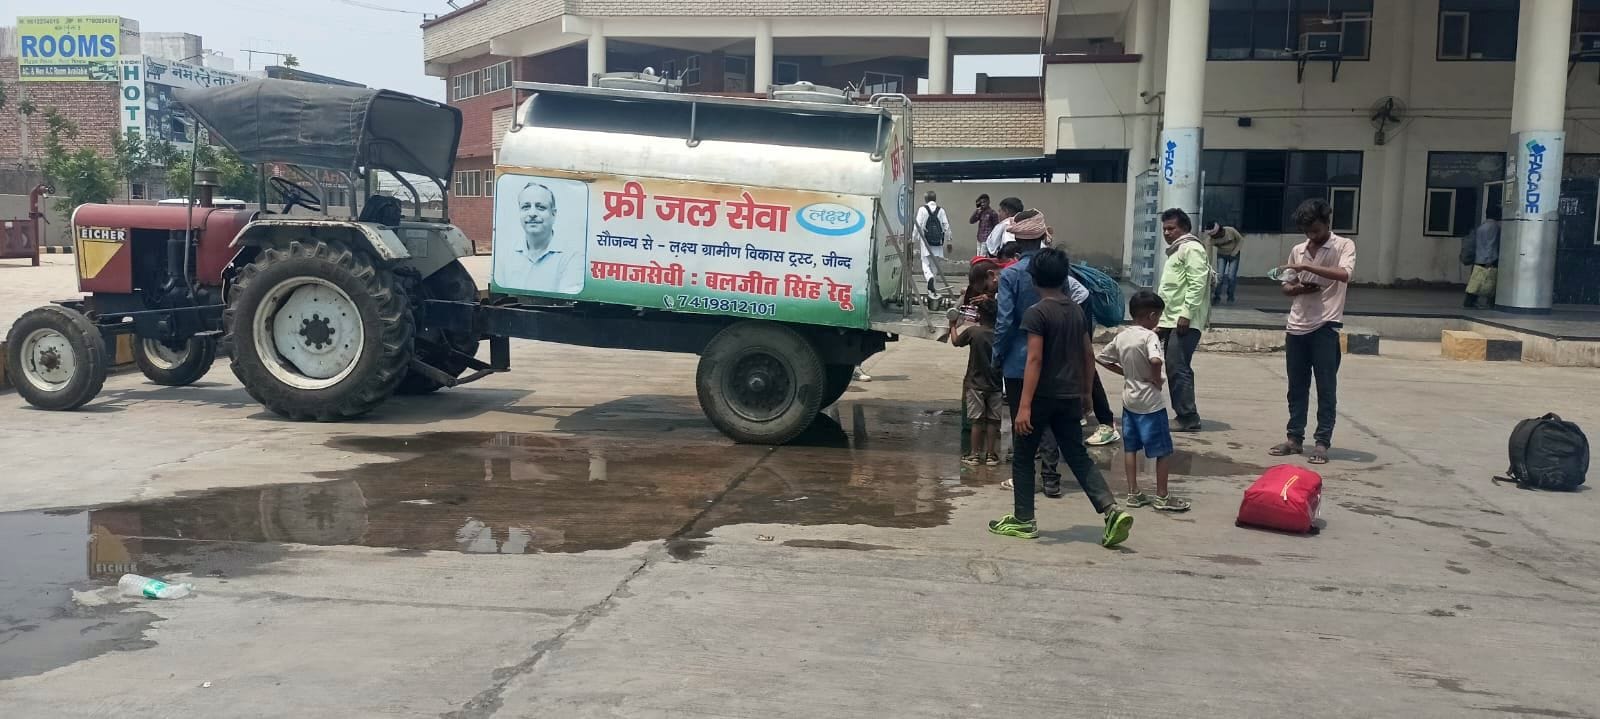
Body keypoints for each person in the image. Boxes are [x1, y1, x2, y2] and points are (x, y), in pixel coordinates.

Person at [988, 247, 1132, 547]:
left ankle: (1024, 519)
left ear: (1033, 279)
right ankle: (1110, 510)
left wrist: (1024, 405)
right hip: (1069, 395)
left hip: (1039, 395)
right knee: (1077, 455)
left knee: (1024, 456)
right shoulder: (1076, 311)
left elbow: (1034, 359)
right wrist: (1086, 393)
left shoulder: (1037, 313)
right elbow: (1087, 354)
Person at [1269, 198, 1356, 466]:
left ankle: (1322, 442)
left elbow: (1344, 274)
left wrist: (1307, 268)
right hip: (1297, 325)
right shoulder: (1298, 250)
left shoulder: (1343, 245)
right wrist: (1299, 288)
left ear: (1327, 223)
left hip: (1326, 325)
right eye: (1307, 232)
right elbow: (1287, 286)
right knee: (1296, 386)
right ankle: (1294, 438)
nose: (1312, 236)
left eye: (1316, 230)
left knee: (1326, 386)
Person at [1098, 291, 1190, 512]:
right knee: (1162, 451)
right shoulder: (1150, 337)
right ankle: (1162, 495)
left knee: (1130, 448)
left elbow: (1101, 358)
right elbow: (1156, 360)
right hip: (1151, 403)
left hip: (1129, 400)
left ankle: (1133, 493)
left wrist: (1125, 373)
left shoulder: (1123, 336)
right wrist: (1156, 379)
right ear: (1152, 315)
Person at [1156, 208, 1211, 433]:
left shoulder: (1191, 248)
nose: (1167, 233)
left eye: (1172, 228)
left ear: (1185, 228)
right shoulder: (1177, 251)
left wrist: (1186, 314)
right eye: (1164, 229)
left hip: (1184, 320)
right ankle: (1184, 414)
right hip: (1172, 319)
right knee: (1173, 366)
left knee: (1178, 367)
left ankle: (1188, 417)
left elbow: (1197, 283)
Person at [498, 181, 584, 294]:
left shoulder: (572, 256)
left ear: (554, 214)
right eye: (526, 207)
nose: (532, 213)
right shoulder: (504, 255)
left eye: (540, 207)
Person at [954, 297, 1003, 467]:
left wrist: (952, 326)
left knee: (977, 421)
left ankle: (974, 455)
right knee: (992, 421)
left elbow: (955, 342)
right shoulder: (1000, 334)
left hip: (975, 384)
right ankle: (991, 455)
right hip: (996, 384)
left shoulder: (973, 332)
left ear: (979, 315)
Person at [1461, 205, 1501, 309]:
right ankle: (1489, 303)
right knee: (1491, 282)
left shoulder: (1482, 226)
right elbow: (1491, 244)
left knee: (1476, 282)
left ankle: (1470, 301)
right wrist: (1489, 260)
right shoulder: (1494, 227)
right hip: (1489, 259)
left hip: (1479, 258)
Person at [915, 191, 953, 297]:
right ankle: (932, 290)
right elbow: (946, 226)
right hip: (937, 242)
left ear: (926, 199)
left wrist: (912, 239)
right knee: (935, 265)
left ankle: (929, 278)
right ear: (935, 199)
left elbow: (917, 225)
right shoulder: (941, 210)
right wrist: (949, 241)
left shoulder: (922, 209)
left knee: (925, 263)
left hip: (925, 241)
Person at [1207, 222, 1244, 305]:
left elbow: (1241, 240)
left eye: (1215, 235)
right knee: (1219, 276)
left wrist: (1235, 252)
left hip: (1234, 255)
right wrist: (1208, 264)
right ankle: (1217, 297)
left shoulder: (1230, 230)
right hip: (1221, 255)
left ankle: (1230, 297)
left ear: (1219, 231)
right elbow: (1208, 252)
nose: (1214, 238)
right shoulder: (1210, 239)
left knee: (1231, 276)